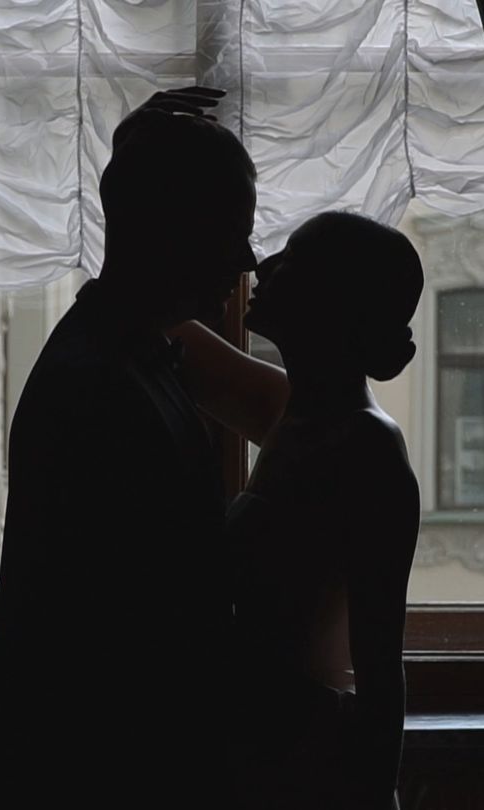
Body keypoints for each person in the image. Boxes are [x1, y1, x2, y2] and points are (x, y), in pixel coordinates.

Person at [0, 87, 256, 807]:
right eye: (233, 229)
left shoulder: (118, 356)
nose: (249, 257)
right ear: (174, 232)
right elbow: (142, 639)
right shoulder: (103, 386)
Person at [173, 211, 424, 809]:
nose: (263, 266)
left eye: (293, 257)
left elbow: (380, 663)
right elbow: (169, 336)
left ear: (332, 301)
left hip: (305, 765)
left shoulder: (366, 447)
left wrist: (375, 793)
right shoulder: (297, 411)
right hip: (263, 749)